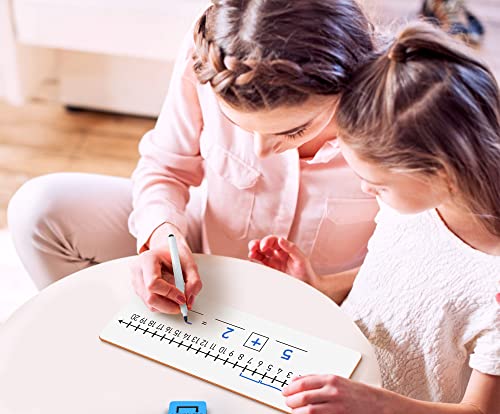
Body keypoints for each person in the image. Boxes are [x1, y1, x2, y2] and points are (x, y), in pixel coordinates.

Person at [250, 22, 500, 414]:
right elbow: (400, 277)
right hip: (340, 407)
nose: (367, 191)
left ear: (442, 173)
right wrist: (324, 285)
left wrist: (372, 404)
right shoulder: (414, 204)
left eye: (378, 184)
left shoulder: (494, 283)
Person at [7, 0, 378, 313]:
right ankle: (116, 346)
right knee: (39, 208)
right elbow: (165, 166)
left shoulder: (405, 108)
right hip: (209, 261)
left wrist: (325, 287)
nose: (263, 151)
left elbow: (419, 269)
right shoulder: (213, 55)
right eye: (245, 129)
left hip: (327, 305)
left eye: (294, 131)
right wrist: (163, 236)